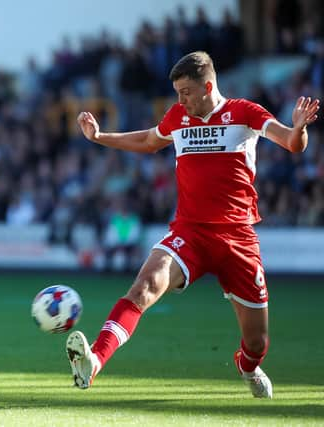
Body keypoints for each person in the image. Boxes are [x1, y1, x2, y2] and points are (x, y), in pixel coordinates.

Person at [66, 51, 319, 398]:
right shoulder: (178, 116)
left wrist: (300, 128)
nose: (180, 100)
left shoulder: (244, 113)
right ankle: (95, 360)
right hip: (190, 232)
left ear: (208, 87)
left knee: (257, 341)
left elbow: (292, 143)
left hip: (238, 238)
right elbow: (148, 141)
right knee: (143, 287)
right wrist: (100, 137)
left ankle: (248, 366)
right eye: (177, 93)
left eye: (185, 92)